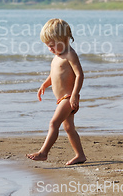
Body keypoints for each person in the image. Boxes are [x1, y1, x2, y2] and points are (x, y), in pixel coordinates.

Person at [27, 18, 87, 165]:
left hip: (68, 98)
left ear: (65, 39)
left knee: (54, 123)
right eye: (48, 46)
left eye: (52, 45)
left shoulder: (70, 55)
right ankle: (80, 155)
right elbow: (54, 74)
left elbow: (79, 75)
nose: (50, 49)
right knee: (68, 128)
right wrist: (45, 84)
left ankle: (43, 152)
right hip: (61, 99)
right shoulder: (57, 56)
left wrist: (74, 95)